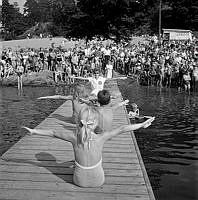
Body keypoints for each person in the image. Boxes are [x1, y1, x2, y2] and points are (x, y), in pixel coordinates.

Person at [22, 106, 155, 187]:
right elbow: (122, 128)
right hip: (98, 181)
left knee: (77, 163)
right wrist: (142, 125)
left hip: (78, 181)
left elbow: (53, 133)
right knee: (98, 161)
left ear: (79, 122)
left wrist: (34, 131)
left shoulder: (74, 138)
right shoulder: (101, 137)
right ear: (96, 123)